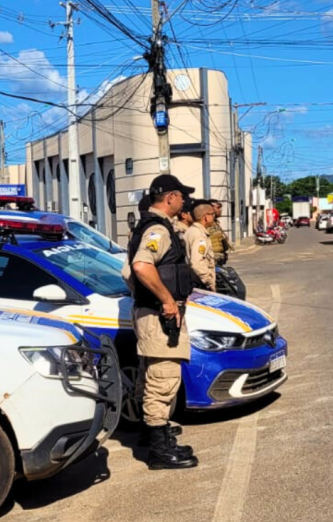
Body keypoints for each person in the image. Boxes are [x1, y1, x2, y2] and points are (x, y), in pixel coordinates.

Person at [128, 174, 198, 470]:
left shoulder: (147, 226)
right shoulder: (158, 228)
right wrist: (167, 301)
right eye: (182, 196)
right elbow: (140, 266)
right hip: (161, 316)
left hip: (150, 313)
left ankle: (153, 434)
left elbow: (127, 275)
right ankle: (159, 451)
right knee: (163, 379)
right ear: (170, 197)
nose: (185, 202)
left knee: (151, 377)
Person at [185, 200, 217, 291]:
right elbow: (197, 262)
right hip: (201, 285)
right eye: (212, 214)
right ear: (206, 217)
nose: (213, 217)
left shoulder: (190, 231)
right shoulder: (200, 236)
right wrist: (209, 282)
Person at [208, 199, 232, 266]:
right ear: (211, 208)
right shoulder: (207, 224)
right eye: (218, 207)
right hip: (212, 261)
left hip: (219, 260)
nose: (220, 210)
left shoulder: (216, 223)